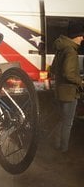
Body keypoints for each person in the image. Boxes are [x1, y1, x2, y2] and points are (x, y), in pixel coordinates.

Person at [51, 19, 84, 153]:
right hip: (69, 92)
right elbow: (68, 73)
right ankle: (63, 149)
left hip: (60, 90)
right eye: (82, 35)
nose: (82, 38)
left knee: (62, 119)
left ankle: (56, 144)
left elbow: (53, 69)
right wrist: (80, 81)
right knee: (68, 122)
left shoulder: (61, 48)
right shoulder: (71, 51)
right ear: (77, 36)